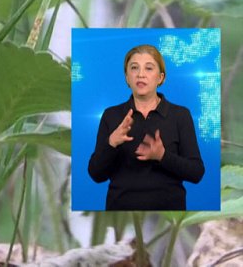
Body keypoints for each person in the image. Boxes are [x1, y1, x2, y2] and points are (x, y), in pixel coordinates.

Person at [87, 44, 204, 210]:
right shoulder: (111, 116)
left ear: (160, 77)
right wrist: (111, 143)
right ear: (127, 77)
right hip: (121, 207)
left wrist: (162, 156)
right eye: (134, 68)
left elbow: (196, 172)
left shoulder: (180, 115)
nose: (141, 74)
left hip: (169, 210)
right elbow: (96, 174)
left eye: (149, 68)